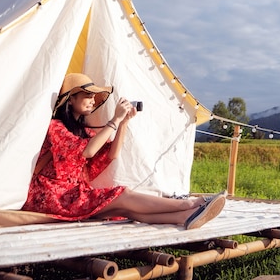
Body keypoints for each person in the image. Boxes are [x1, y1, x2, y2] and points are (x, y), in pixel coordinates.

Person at [22, 73, 225, 229]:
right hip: (50, 194)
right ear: (70, 99)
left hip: (72, 193)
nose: (93, 100)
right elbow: (88, 152)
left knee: (124, 208)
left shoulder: (84, 132)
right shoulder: (55, 126)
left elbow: (111, 154)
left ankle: (183, 218)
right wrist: (115, 120)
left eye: (94, 96)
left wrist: (124, 123)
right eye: (87, 95)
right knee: (122, 194)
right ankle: (188, 205)